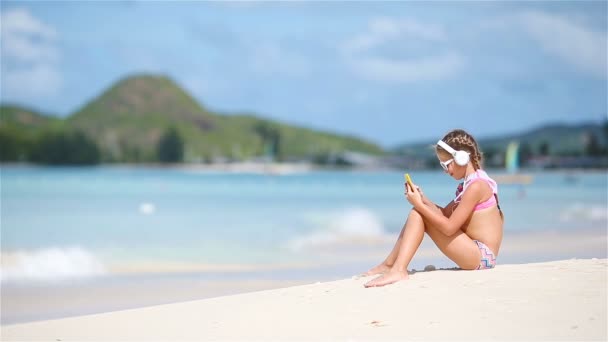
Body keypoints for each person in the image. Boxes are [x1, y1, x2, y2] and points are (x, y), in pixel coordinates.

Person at [363, 129, 504, 287]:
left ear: (462, 158)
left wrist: (418, 205)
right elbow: (444, 214)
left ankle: (398, 269)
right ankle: (391, 265)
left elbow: (449, 228)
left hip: (481, 256)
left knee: (418, 212)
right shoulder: (472, 183)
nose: (445, 171)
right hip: (475, 251)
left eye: (446, 164)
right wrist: (423, 200)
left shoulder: (476, 186)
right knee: (419, 211)